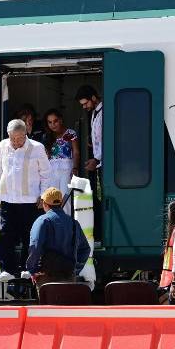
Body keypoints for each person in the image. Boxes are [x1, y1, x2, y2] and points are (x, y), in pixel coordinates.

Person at [0, 119, 51, 281]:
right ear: (8, 135)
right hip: (8, 199)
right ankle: (7, 270)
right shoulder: (2, 146)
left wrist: (43, 195)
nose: (16, 142)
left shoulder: (37, 148)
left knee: (30, 236)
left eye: (19, 138)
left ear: (26, 134)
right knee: (6, 234)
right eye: (12, 138)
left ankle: (28, 268)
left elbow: (46, 174)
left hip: (31, 201)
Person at [26, 187, 90, 287]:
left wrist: (33, 270)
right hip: (69, 275)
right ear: (61, 203)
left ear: (45, 204)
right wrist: (74, 269)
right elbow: (85, 249)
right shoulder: (74, 223)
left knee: (48, 298)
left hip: (46, 276)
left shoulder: (42, 221)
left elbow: (35, 246)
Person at [76, 84, 103, 242]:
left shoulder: (104, 112)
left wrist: (97, 159)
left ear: (94, 97)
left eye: (85, 103)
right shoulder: (94, 113)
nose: (84, 107)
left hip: (102, 164)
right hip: (97, 163)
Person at [42, 108, 79, 211]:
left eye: (55, 121)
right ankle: (53, 220)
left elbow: (76, 152)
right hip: (51, 170)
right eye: (50, 122)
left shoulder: (70, 133)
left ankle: (65, 220)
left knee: (65, 199)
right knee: (51, 198)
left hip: (66, 169)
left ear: (61, 120)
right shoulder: (46, 136)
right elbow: (46, 156)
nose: (53, 125)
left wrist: (75, 168)